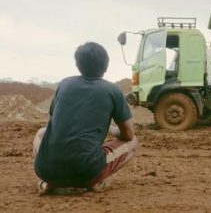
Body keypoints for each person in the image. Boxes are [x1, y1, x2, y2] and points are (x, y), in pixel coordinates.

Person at [33, 42, 138, 195]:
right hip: (87, 170)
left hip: (45, 170)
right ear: (106, 66)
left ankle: (50, 182)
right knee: (133, 142)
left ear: (77, 64)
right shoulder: (113, 90)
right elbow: (128, 134)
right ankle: (95, 180)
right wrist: (111, 130)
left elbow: (51, 123)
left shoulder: (64, 84)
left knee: (42, 132)